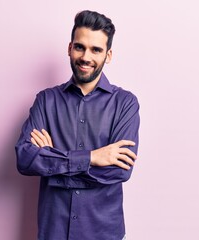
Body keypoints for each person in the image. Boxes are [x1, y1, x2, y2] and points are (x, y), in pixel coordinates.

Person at [15, 10, 140, 240]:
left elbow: (120, 171)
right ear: (70, 48)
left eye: (96, 50)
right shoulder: (46, 100)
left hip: (102, 233)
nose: (86, 57)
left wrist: (53, 164)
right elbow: (25, 159)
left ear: (108, 55)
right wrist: (92, 157)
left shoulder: (125, 104)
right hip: (54, 231)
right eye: (80, 47)